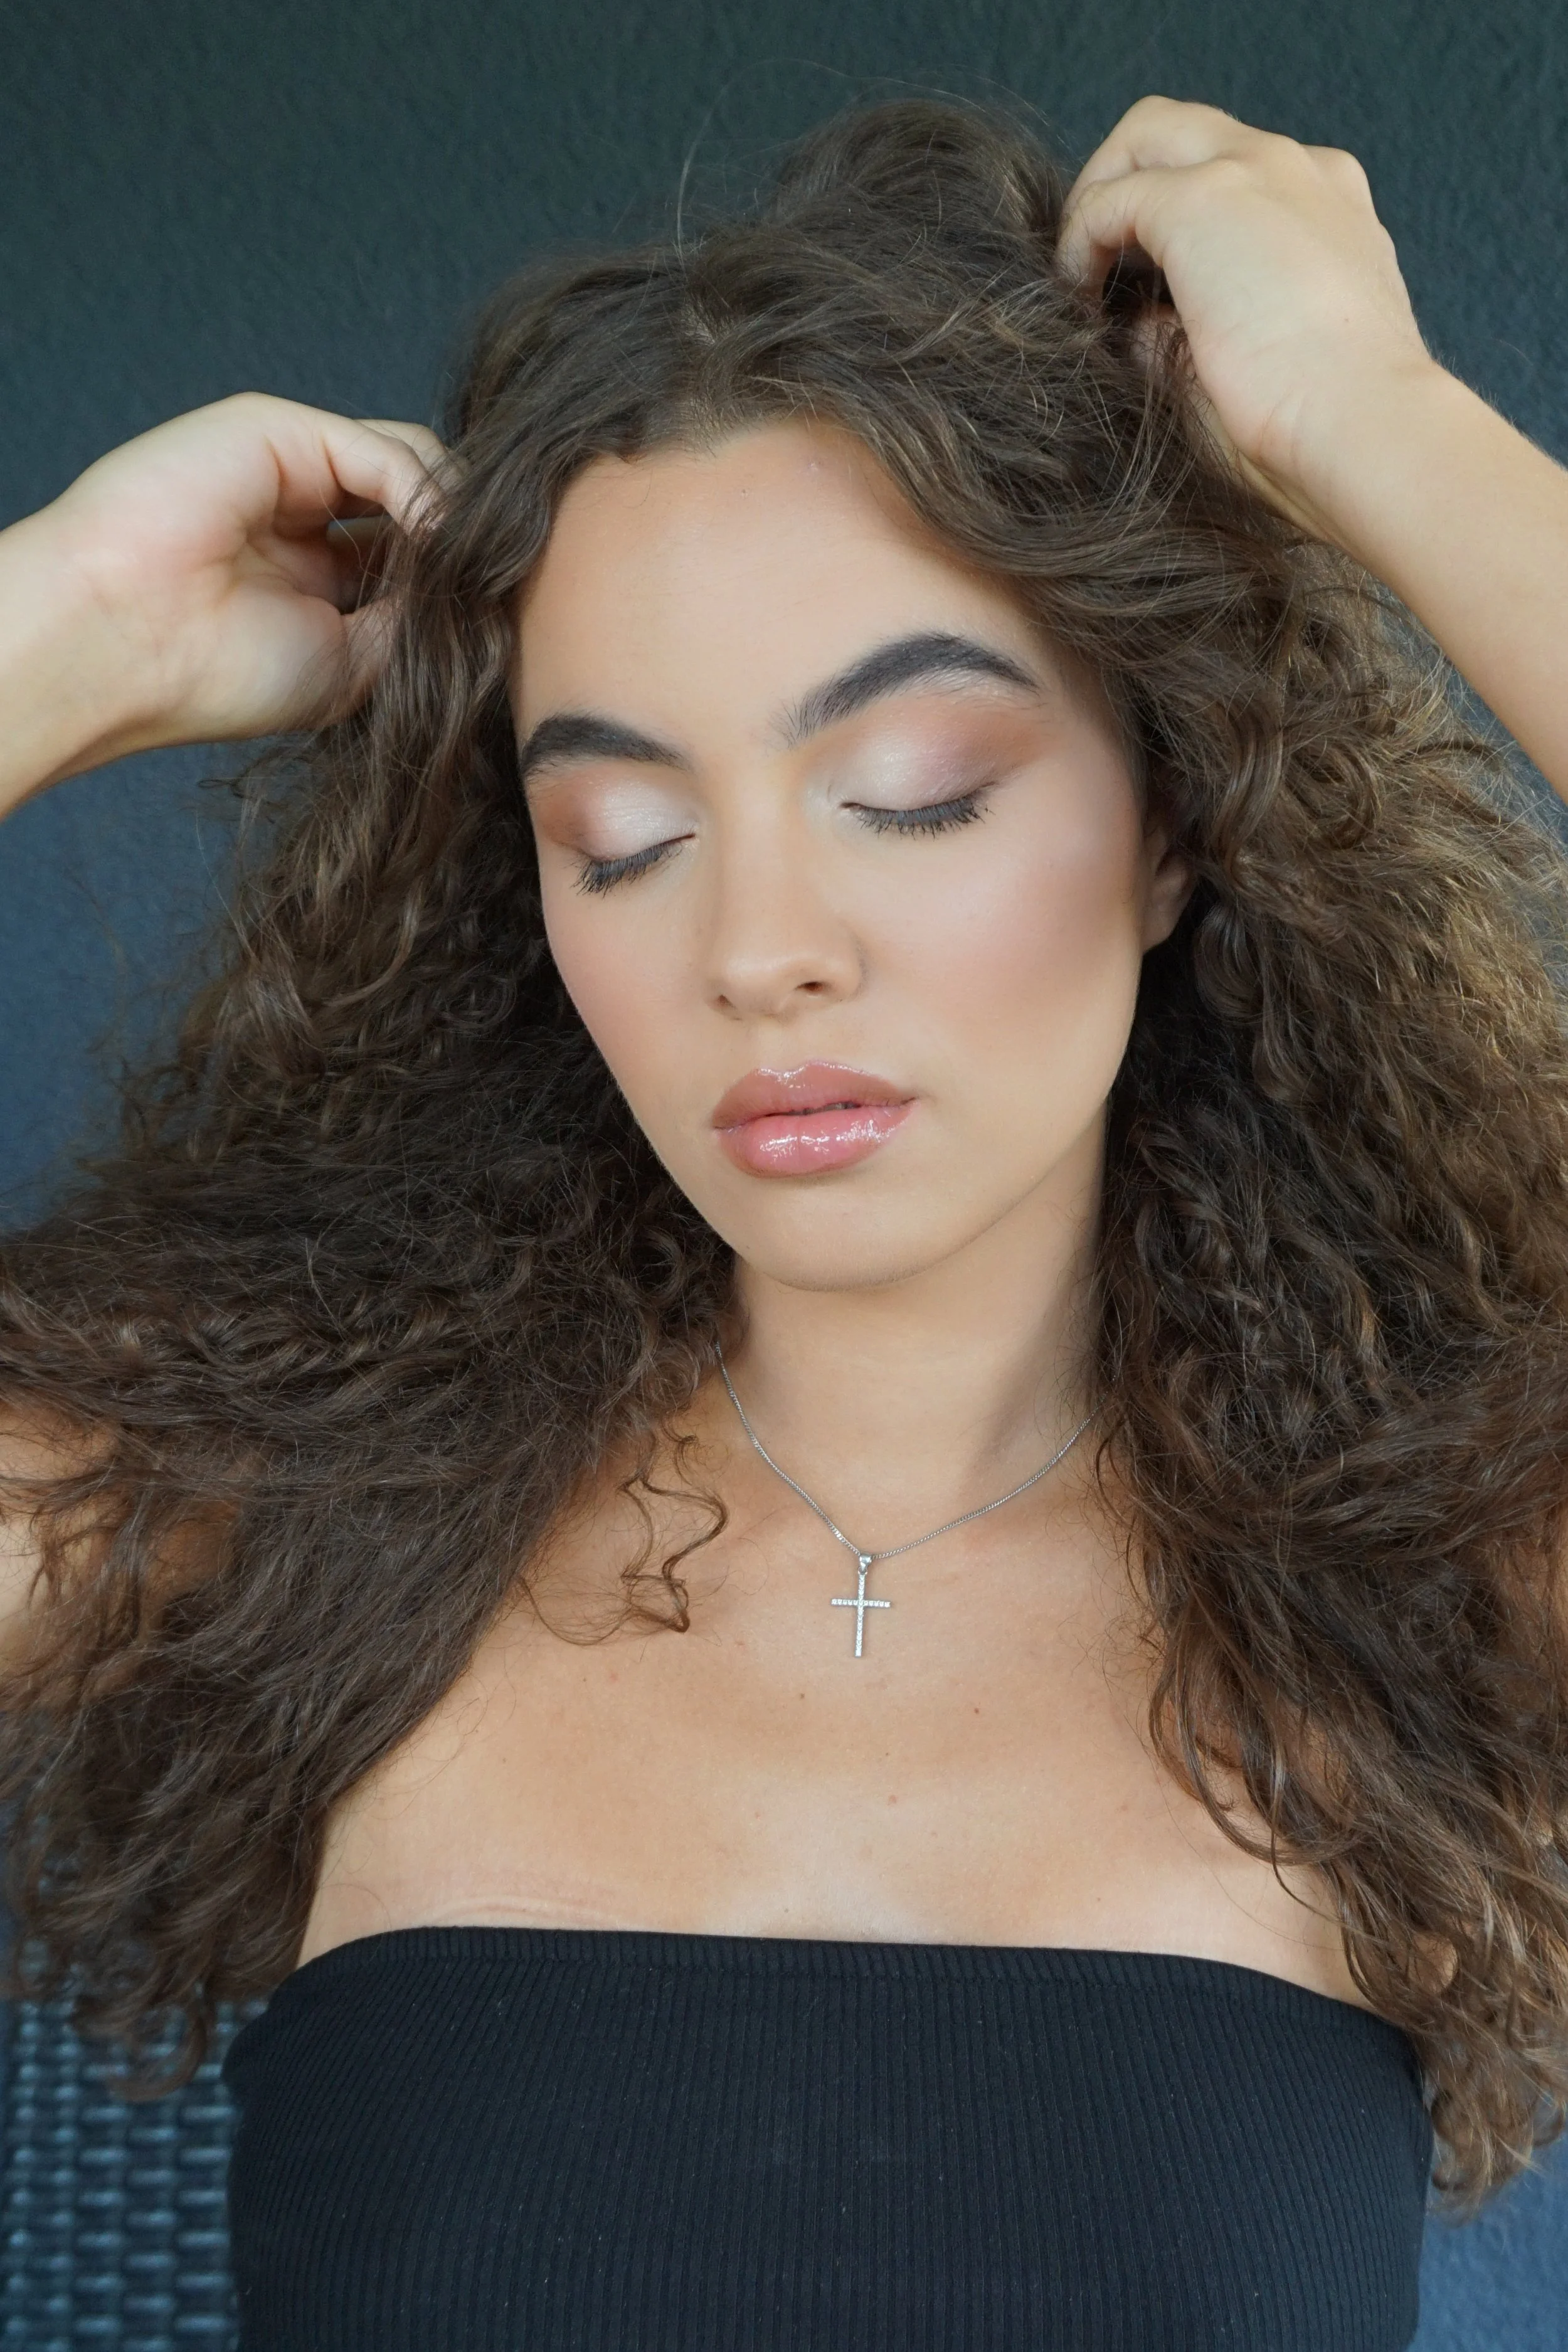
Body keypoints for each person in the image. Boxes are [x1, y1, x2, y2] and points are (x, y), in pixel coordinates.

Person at [2, 88, 1567, 2351]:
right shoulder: (272, 1504)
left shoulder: (1437, 1567)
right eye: (622, 834)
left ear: (1173, 820)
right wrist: (55, 641)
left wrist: (1378, 428)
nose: (760, 944)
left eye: (910, 792)